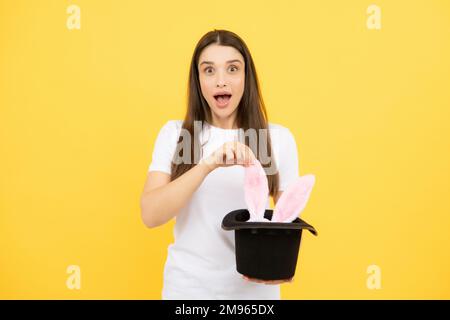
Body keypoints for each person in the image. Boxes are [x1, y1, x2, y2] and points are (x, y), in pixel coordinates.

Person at [140, 29, 299, 299]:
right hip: (188, 292)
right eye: (209, 70)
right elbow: (151, 215)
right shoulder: (179, 135)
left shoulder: (275, 138)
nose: (221, 81)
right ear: (198, 79)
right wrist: (207, 164)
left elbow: (288, 222)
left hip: (253, 296)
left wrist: (282, 267)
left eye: (232, 69)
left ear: (246, 78)